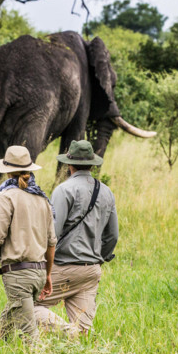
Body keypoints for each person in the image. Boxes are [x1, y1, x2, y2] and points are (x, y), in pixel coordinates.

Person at [34, 140, 118, 336]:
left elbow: (52, 233)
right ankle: (74, 351)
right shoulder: (106, 192)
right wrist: (99, 258)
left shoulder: (63, 190)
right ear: (92, 164)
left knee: (27, 306)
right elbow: (112, 235)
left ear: (69, 164)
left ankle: (66, 332)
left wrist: (42, 264)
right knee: (82, 333)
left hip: (63, 266)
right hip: (91, 271)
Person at [0, 146, 56, 342]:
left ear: (7, 170)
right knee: (7, 327)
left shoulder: (6, 196)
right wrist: (48, 274)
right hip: (38, 273)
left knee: (29, 336)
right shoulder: (42, 199)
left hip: (18, 275)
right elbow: (51, 243)